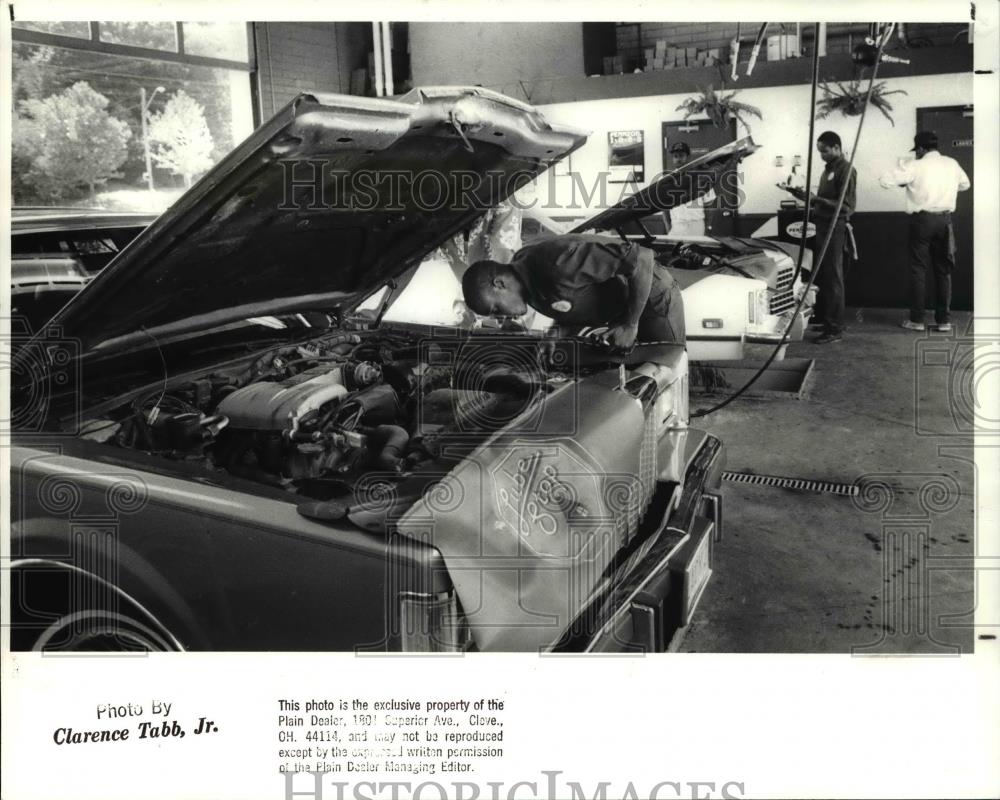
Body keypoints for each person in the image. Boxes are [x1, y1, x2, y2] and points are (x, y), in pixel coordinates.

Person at [461, 233, 685, 351]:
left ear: (499, 283)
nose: (501, 317)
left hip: (653, 297)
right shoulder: (526, 287)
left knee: (665, 369)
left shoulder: (558, 262)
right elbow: (569, 300)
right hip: (621, 310)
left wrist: (630, 324)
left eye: (495, 308)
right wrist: (555, 335)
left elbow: (643, 258)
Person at [878, 130, 971, 333]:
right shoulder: (952, 163)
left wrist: (904, 176)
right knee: (943, 271)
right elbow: (965, 184)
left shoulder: (915, 165)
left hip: (922, 221)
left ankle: (917, 320)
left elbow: (884, 180)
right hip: (945, 221)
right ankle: (943, 321)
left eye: (917, 150)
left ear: (920, 149)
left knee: (918, 270)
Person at [779, 131, 857, 344]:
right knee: (825, 274)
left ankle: (835, 329)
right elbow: (823, 200)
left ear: (837, 148)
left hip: (834, 226)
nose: (822, 155)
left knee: (833, 277)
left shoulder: (846, 169)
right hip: (822, 225)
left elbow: (847, 206)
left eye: (824, 151)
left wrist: (817, 199)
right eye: (819, 151)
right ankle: (829, 320)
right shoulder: (828, 171)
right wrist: (803, 196)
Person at [663, 141, 714, 236]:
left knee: (696, 250)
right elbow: (664, 207)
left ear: (688, 157)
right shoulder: (667, 180)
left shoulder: (701, 178)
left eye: (681, 155)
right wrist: (668, 228)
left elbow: (709, 204)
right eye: (675, 156)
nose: (678, 159)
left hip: (696, 225)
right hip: (677, 226)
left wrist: (708, 227)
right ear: (673, 159)